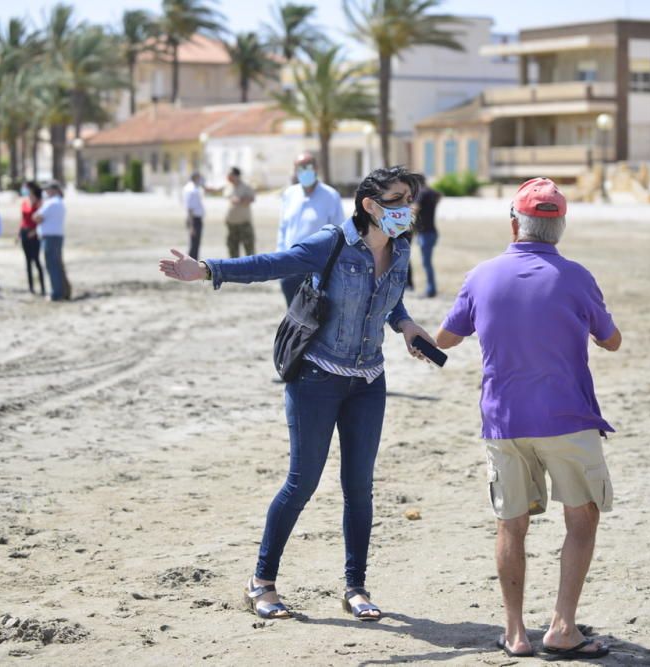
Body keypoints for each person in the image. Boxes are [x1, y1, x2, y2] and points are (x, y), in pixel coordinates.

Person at [160, 166, 436, 622]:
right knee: (302, 482)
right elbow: (270, 263)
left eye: (411, 199)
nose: (408, 207)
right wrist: (207, 268)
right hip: (316, 379)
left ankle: (355, 587)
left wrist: (404, 325)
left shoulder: (401, 248)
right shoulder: (330, 243)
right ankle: (261, 582)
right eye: (398, 199)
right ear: (370, 205)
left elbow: (389, 297)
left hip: (368, 381)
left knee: (359, 488)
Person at [435, 178, 621, 660]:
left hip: (504, 421)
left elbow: (446, 338)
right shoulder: (578, 277)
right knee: (581, 520)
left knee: (511, 524)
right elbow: (612, 339)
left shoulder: (482, 275)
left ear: (515, 223)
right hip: (568, 418)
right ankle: (562, 628)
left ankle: (515, 632)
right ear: (559, 226)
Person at [276, 152, 343, 305]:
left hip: (318, 267)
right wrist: (280, 257)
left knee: (315, 315)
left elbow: (339, 232)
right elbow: (283, 228)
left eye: (308, 166)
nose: (304, 171)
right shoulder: (289, 194)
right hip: (290, 264)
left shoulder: (331, 196)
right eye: (300, 168)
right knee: (293, 314)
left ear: (316, 168)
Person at [33, 180, 70, 301]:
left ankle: (56, 293)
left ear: (53, 190)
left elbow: (37, 217)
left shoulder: (51, 203)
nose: (45, 192)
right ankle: (64, 290)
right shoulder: (59, 202)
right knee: (58, 265)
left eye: (47, 189)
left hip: (50, 237)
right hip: (57, 236)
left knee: (52, 265)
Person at [413, 176, 441, 298]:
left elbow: (415, 209)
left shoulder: (422, 193)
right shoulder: (432, 193)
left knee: (426, 263)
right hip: (432, 231)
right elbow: (440, 195)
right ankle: (431, 288)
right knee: (427, 262)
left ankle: (431, 289)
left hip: (425, 232)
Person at [17, 181, 46, 296]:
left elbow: (42, 219)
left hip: (34, 233)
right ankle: (31, 287)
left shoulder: (39, 203)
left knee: (37, 260)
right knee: (27, 261)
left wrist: (35, 231)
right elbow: (22, 219)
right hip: (24, 232)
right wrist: (19, 234)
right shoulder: (24, 202)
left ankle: (43, 287)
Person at [224, 167, 256, 258]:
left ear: (236, 176)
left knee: (249, 250)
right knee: (232, 250)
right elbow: (227, 196)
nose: (228, 177)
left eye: (230, 175)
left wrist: (240, 200)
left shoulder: (246, 186)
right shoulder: (229, 186)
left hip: (244, 224)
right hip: (231, 224)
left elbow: (251, 199)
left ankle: (251, 271)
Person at [182, 172, 205, 260]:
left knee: (195, 243)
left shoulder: (191, 188)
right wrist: (191, 226)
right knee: (194, 244)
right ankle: (191, 262)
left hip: (194, 218)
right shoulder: (192, 189)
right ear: (195, 178)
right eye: (199, 178)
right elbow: (190, 208)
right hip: (194, 219)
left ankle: (191, 262)